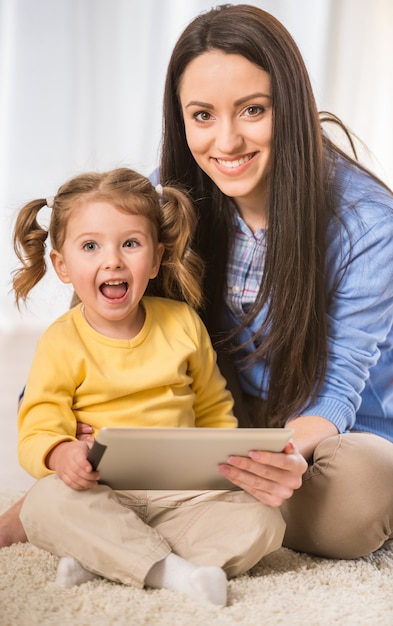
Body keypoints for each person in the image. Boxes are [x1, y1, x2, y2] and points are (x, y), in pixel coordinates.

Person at [2, 2, 393, 559]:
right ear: (180, 118)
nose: (226, 142)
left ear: (293, 106)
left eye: (253, 110)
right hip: (214, 424)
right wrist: (65, 436)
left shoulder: (369, 223)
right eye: (202, 116)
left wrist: (282, 457)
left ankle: (149, 510)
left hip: (330, 433)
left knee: (358, 499)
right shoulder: (168, 196)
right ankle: (168, 507)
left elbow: (339, 391)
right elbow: (93, 327)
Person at [10, 167, 286, 607]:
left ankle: (107, 559)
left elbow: (214, 408)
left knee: (265, 522)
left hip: (179, 495)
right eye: (90, 246)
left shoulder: (181, 323)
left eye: (131, 244)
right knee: (43, 505)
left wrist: (226, 467)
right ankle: (176, 573)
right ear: (62, 265)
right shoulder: (61, 341)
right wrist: (61, 453)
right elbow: (38, 424)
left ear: (156, 260)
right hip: (100, 491)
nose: (113, 260)